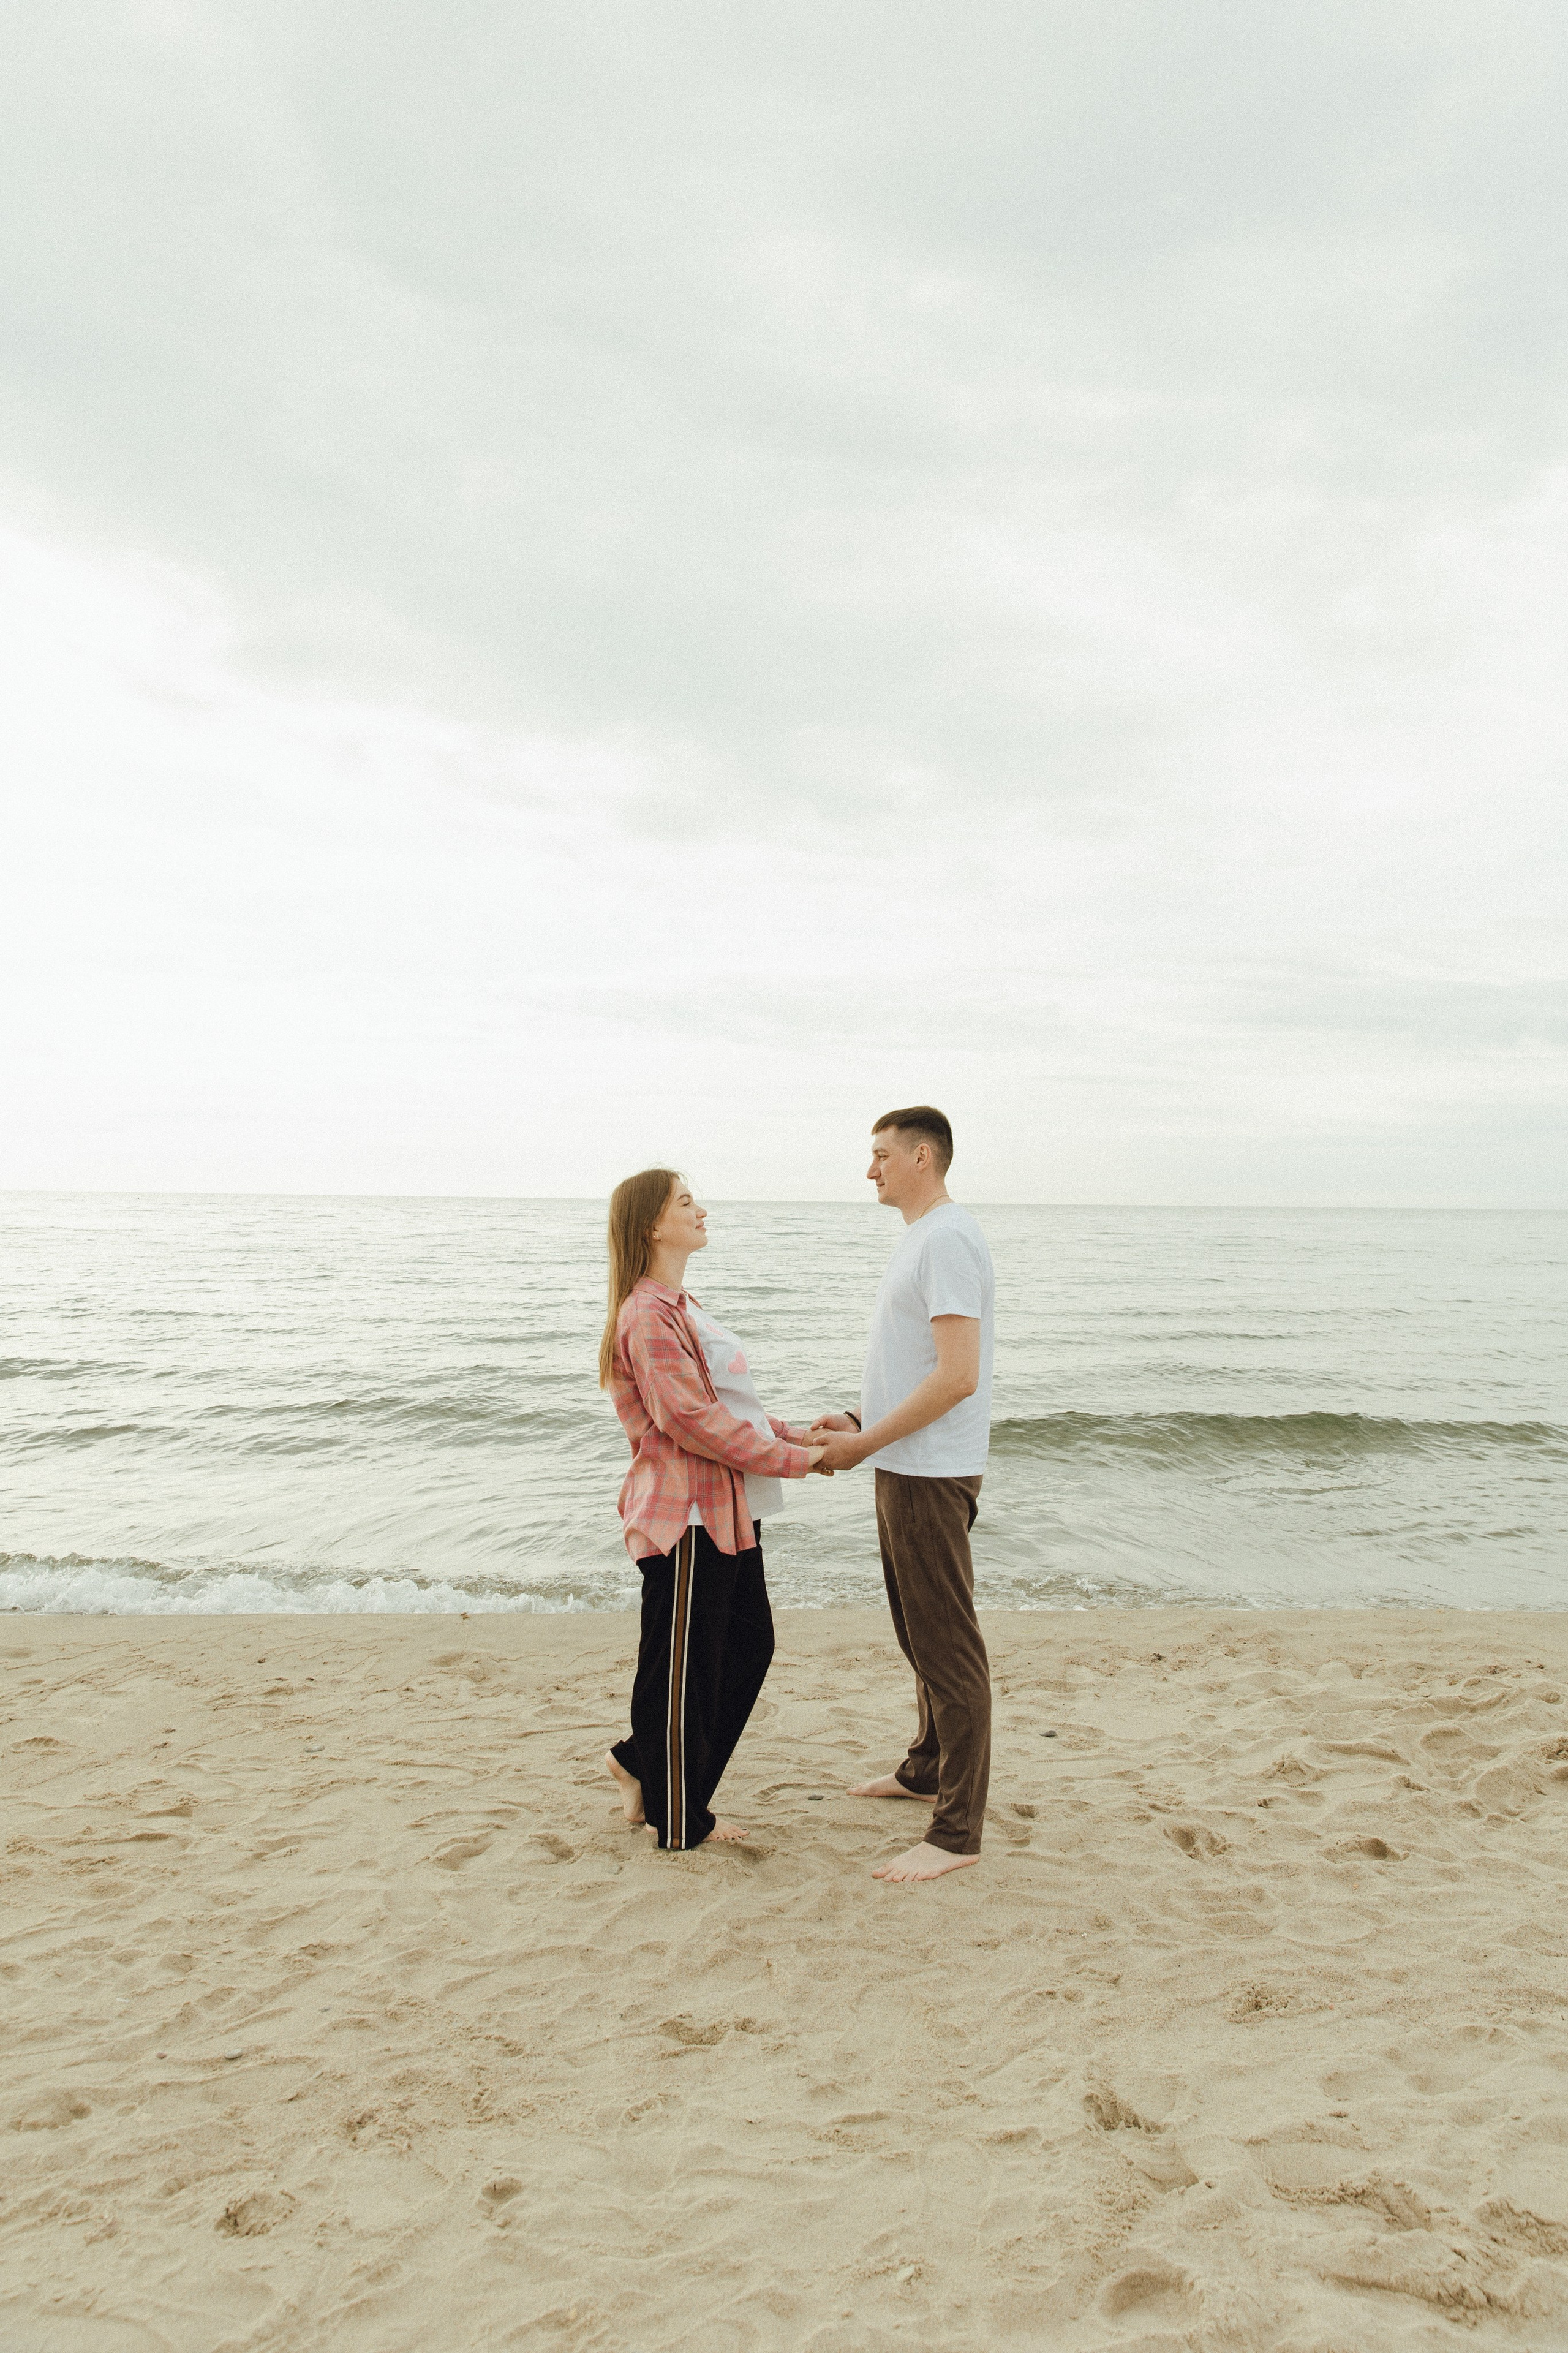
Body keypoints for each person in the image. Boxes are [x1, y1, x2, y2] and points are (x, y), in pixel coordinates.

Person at [600, 1168, 829, 1851]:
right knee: (680, 1667)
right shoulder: (644, 1313)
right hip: (685, 1517)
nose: (702, 1210)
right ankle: (678, 1817)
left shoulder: (679, 1306)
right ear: (652, 1225)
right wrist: (798, 1461)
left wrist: (799, 1436)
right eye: (686, 1202)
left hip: (727, 1510)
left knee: (747, 1645)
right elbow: (690, 1421)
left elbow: (732, 1410)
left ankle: (644, 1763)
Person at [811, 1108, 995, 1884]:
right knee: (919, 1637)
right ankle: (924, 1770)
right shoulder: (921, 1238)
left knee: (948, 1652)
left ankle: (957, 1834)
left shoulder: (948, 1237)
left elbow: (958, 1375)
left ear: (923, 1156)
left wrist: (865, 1443)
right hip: (904, 1463)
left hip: (928, 1471)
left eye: (881, 1155)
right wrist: (857, 1421)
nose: (870, 1169)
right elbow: (916, 1362)